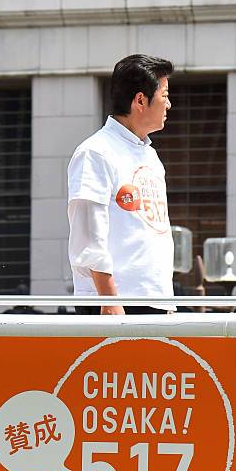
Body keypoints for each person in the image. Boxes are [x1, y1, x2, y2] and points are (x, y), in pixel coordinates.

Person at [68, 54, 175, 315]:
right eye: (164, 95)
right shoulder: (96, 152)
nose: (169, 105)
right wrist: (109, 299)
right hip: (116, 303)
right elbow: (89, 233)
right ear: (140, 100)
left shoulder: (150, 155)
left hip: (154, 300)